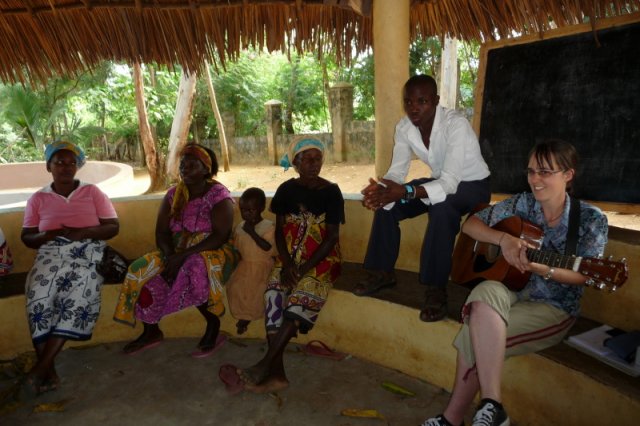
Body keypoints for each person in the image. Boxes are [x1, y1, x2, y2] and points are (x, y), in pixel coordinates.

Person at [422, 140, 608, 426]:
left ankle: (452, 419)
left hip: (553, 307)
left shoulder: (591, 220)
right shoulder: (524, 203)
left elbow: (585, 274)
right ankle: (493, 406)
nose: (535, 179)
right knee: (485, 290)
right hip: (511, 291)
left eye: (545, 172)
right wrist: (504, 239)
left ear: (568, 175)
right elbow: (470, 225)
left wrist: (541, 268)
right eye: (531, 171)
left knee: (474, 334)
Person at [354, 74, 491, 322]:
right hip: (442, 182)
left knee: (441, 208)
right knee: (388, 203)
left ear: (436, 100)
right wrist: (381, 189)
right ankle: (383, 272)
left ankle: (436, 288)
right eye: (408, 102)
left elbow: (450, 182)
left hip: (473, 185)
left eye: (422, 101)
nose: (413, 107)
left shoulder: (455, 124)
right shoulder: (404, 127)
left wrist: (407, 191)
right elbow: (397, 172)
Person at [236, 138, 344, 393]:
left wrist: (304, 268)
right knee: (273, 295)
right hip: (288, 260)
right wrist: (285, 264)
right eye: (307, 159)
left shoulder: (331, 192)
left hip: (322, 261)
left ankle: (265, 365)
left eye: (317, 159)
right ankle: (278, 374)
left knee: (298, 303)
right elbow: (281, 231)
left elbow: (331, 238)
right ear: (295, 162)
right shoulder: (286, 190)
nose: (313, 164)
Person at [114, 144, 237, 357]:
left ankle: (213, 326)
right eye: (182, 165)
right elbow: (161, 233)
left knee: (194, 268)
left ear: (206, 169)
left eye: (192, 165)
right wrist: (171, 257)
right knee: (140, 269)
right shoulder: (173, 195)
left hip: (212, 250)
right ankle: (151, 331)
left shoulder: (218, 195)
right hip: (175, 249)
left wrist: (182, 257)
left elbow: (220, 236)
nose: (184, 170)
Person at [20, 140, 120, 397]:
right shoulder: (38, 199)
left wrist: (84, 231)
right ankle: (47, 368)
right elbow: (27, 238)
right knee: (37, 295)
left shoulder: (92, 193)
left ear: (78, 166)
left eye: (71, 163)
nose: (65, 167)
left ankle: (40, 368)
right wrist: (47, 235)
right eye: (59, 162)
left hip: (87, 252)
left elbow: (112, 227)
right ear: (48, 166)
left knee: (79, 290)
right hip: (50, 254)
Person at [225, 187, 277, 335]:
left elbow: (267, 247)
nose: (246, 213)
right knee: (236, 287)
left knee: (257, 291)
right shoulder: (240, 227)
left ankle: (250, 317)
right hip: (245, 265)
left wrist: (252, 232)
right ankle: (243, 315)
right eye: (243, 210)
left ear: (261, 208)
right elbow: (237, 245)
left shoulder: (268, 227)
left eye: (251, 210)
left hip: (262, 266)